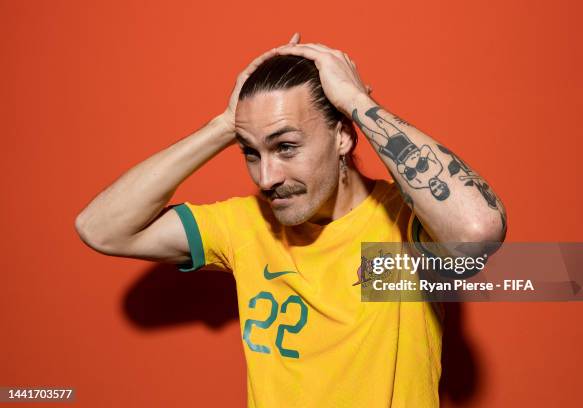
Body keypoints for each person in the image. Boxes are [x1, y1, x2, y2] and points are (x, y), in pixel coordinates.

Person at [75, 33, 507, 407]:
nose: (267, 177)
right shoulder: (246, 225)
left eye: (285, 147)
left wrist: (357, 102)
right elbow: (101, 228)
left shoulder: (401, 228)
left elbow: (477, 229)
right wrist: (226, 125)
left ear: (342, 135)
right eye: (250, 152)